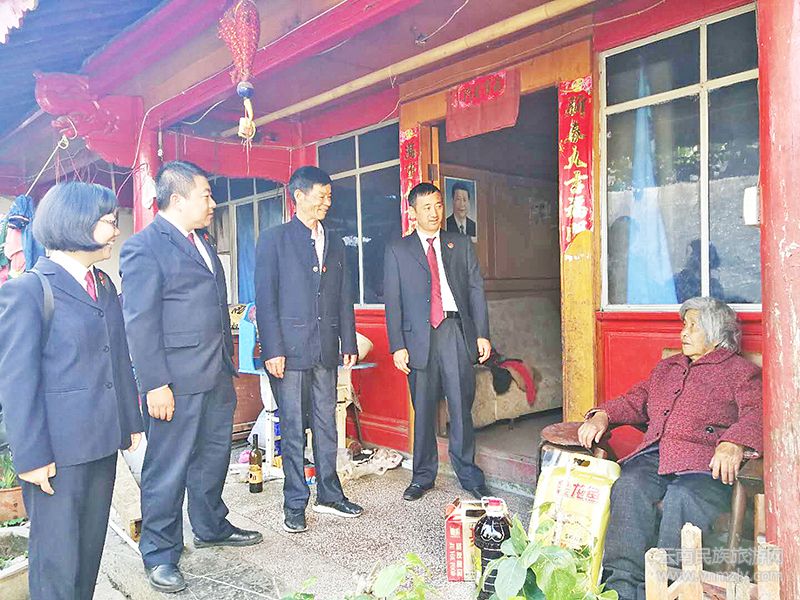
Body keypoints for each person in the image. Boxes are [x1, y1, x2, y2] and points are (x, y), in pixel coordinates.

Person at [121, 161, 262, 594]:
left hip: (215, 372)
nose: (212, 203)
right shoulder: (144, 247)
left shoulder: (202, 241)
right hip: (174, 382)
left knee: (213, 457)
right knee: (167, 468)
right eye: (206, 195)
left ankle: (211, 525)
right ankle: (160, 553)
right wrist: (154, 383)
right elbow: (140, 321)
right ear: (178, 199)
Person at [0, 182, 143, 599]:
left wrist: (130, 422)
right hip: (56, 455)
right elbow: (17, 381)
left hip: (101, 442)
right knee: (57, 562)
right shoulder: (30, 290)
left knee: (88, 553)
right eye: (108, 222)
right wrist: (31, 457)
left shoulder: (103, 283)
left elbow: (117, 356)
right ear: (76, 223)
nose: (115, 231)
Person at [578, 297, 762, 600]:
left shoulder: (740, 372)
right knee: (629, 485)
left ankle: (663, 591)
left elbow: (757, 413)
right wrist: (602, 415)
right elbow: (635, 400)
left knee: (682, 498)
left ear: (716, 333)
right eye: (684, 325)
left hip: (704, 466)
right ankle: (620, 589)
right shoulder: (669, 367)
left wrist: (734, 442)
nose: (683, 333)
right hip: (657, 455)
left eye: (693, 326)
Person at [255, 166, 363, 534]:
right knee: (292, 427)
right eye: (321, 195)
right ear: (298, 196)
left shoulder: (335, 241)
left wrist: (348, 340)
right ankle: (294, 502)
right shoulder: (274, 240)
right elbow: (265, 299)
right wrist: (273, 348)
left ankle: (330, 494)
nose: (327, 202)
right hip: (288, 351)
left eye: (329, 196)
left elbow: (343, 294)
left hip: (326, 348)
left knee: (326, 423)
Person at [384, 182, 492, 502]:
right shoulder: (398, 250)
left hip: (454, 330)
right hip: (418, 337)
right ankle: (422, 476)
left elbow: (475, 290)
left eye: (438, 206)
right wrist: (397, 345)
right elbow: (393, 301)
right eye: (427, 207)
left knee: (460, 405)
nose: (434, 213)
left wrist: (482, 334)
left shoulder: (460, 244)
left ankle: (469, 475)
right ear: (413, 212)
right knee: (423, 408)